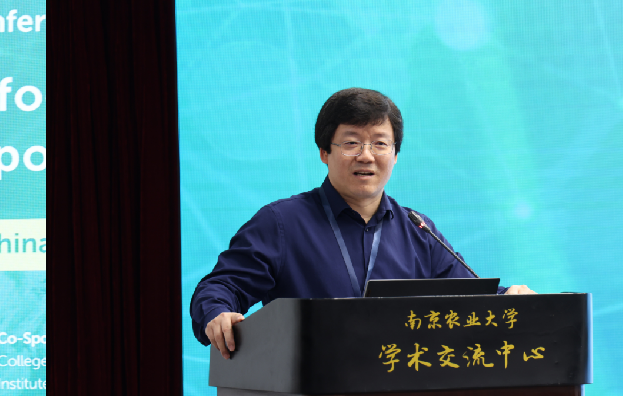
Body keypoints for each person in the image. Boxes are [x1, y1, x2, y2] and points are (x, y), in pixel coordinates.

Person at [189, 88, 535, 360]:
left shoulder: (418, 229)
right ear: (325, 152)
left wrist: (510, 298)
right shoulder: (281, 223)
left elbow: (469, 297)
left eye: (380, 144)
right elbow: (220, 287)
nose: (366, 155)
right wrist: (218, 314)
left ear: (395, 156)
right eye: (351, 143)